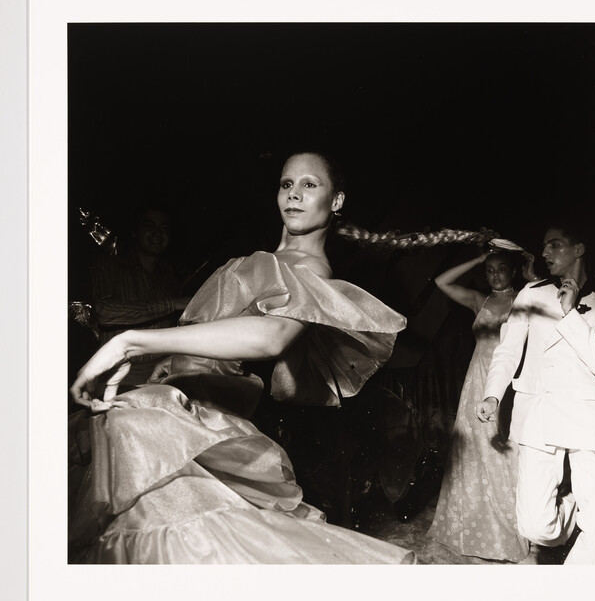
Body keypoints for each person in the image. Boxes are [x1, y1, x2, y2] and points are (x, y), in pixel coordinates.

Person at [69, 152, 414, 565]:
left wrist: (131, 342)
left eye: (309, 184)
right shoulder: (265, 262)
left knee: (171, 527)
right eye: (287, 184)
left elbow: (273, 338)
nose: (294, 194)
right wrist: (173, 359)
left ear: (336, 201)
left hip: (209, 422)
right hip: (184, 405)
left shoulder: (309, 268)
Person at [476, 223, 595, 564]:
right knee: (536, 527)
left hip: (588, 420)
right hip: (539, 415)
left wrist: (571, 312)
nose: (544, 253)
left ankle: (577, 590)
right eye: (544, 246)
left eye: (554, 245)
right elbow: (508, 349)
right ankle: (576, 505)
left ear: (578, 249)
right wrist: (493, 394)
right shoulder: (532, 292)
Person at [427, 248, 531, 562]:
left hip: (508, 384)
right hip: (477, 381)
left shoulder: (525, 299)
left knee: (505, 455)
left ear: (514, 271)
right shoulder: (480, 300)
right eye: (489, 269)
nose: (495, 275)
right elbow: (442, 282)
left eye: (502, 268)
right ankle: (473, 532)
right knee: (475, 454)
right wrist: (478, 258)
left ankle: (510, 535)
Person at [89, 205, 191, 387]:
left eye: (164, 228)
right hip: (119, 374)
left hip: (162, 372)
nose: (157, 233)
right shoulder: (109, 265)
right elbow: (104, 312)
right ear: (134, 232)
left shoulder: (170, 274)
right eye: (149, 226)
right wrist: (173, 304)